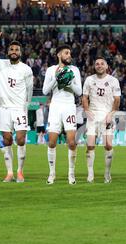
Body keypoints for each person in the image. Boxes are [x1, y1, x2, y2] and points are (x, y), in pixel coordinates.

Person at [0, 31, 33, 183]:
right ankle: (10, 173)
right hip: (4, 109)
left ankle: (20, 172)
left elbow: (29, 90)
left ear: (20, 53)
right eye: (11, 49)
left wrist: (26, 106)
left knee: (21, 139)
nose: (14, 52)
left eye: (16, 50)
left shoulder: (26, 69)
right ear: (8, 52)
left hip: (19, 109)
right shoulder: (0, 64)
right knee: (8, 140)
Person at [42, 45, 82, 185]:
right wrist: (57, 78)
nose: (69, 55)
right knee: (52, 141)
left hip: (69, 106)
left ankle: (71, 174)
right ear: (59, 54)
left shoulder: (74, 70)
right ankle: (52, 173)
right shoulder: (51, 70)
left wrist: (69, 83)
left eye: (70, 53)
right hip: (55, 106)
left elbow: (79, 91)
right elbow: (45, 90)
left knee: (71, 142)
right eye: (66, 53)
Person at [82, 57, 121, 183]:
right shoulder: (89, 80)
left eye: (102, 64)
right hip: (93, 116)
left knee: (108, 145)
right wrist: (87, 110)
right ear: (94, 66)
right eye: (97, 64)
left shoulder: (113, 81)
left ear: (106, 66)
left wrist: (112, 113)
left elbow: (117, 99)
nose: (99, 66)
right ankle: (90, 174)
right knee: (90, 145)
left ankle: (107, 173)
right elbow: (84, 97)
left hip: (107, 115)